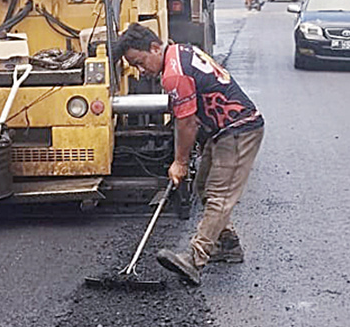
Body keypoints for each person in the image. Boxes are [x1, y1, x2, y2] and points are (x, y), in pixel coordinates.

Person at [113, 23, 264, 286]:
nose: (140, 70)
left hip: (238, 129)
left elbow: (186, 123)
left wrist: (180, 161)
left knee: (219, 194)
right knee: (203, 186)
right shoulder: (179, 52)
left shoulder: (174, 73)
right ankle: (227, 245)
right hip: (219, 130)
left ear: (154, 47)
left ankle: (195, 259)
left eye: (140, 61)